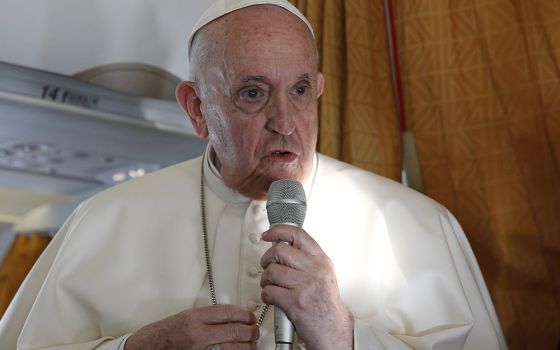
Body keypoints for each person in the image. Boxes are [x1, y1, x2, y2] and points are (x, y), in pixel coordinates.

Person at [0, 0, 508, 349]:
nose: (285, 122)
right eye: (252, 93)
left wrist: (343, 336)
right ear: (196, 107)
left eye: (301, 91)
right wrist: (139, 346)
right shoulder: (101, 222)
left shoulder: (417, 226)